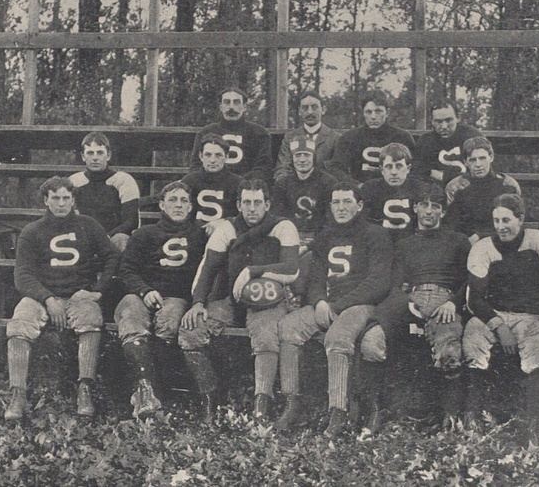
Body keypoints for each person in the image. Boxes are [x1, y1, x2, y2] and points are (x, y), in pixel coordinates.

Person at [275, 182, 392, 436]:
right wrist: (319, 302)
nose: (341, 207)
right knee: (288, 327)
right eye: (336, 202)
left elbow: (378, 281)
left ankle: (338, 412)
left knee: (337, 337)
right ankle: (292, 402)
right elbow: (316, 278)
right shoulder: (326, 236)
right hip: (329, 304)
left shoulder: (375, 234)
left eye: (347, 201)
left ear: (359, 205)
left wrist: (337, 306)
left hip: (360, 304)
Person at [178, 179, 300, 421]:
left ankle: (261, 404)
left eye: (257, 202)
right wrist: (198, 302)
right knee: (190, 332)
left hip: (268, 299)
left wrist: (253, 271)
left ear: (267, 204)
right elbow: (208, 269)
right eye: (246, 202)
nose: (252, 208)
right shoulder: (228, 228)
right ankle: (211, 396)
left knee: (265, 335)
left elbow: (291, 268)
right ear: (238, 204)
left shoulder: (283, 226)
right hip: (231, 299)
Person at [4, 176, 119, 420]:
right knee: (20, 321)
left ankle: (84, 388)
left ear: (73, 200)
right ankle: (18, 393)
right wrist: (47, 298)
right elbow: (22, 275)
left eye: (66, 198)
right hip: (42, 296)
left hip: (79, 294)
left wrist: (97, 290)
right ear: (46, 200)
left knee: (91, 317)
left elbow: (112, 257)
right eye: (55, 198)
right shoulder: (32, 231)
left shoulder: (89, 225)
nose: (61, 203)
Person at [362, 183, 471, 433]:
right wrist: (407, 304)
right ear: (415, 208)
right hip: (411, 300)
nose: (429, 211)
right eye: (424, 205)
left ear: (443, 212)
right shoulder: (404, 243)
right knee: (372, 342)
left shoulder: (458, 241)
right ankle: (376, 412)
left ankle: (450, 417)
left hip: (445, 301)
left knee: (449, 351)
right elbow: (396, 283)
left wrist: (452, 303)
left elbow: (470, 280)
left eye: (435, 206)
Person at [464, 193, 539, 445]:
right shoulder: (483, 248)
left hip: (531, 314)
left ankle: (534, 423)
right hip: (495, 313)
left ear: (520, 219)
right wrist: (498, 326)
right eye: (496, 220)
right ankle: (471, 417)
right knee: (473, 335)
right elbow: (474, 299)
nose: (501, 226)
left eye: (506, 220)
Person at [115, 181, 207, 418]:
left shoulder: (199, 235)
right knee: (132, 318)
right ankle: (144, 389)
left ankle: (161, 394)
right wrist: (144, 291)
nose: (178, 205)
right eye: (173, 200)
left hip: (176, 297)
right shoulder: (145, 234)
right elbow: (126, 269)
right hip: (141, 294)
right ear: (162, 205)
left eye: (184, 201)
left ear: (190, 207)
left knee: (169, 321)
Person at [69, 131, 140, 252]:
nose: (95, 157)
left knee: (121, 239)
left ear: (108, 155)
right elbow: (71, 218)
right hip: (85, 238)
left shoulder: (123, 179)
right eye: (90, 153)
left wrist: (104, 238)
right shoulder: (74, 181)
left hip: (114, 237)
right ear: (83, 156)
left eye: (100, 153)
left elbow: (131, 221)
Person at [444, 137, 520, 243]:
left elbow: (514, 221)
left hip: (499, 241)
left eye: (482, 158)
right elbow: (452, 223)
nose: (478, 164)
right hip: (467, 242)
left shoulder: (508, 185)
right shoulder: (455, 186)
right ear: (465, 162)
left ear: (491, 157)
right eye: (472, 160)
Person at [329, 92, 416, 185]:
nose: (373, 117)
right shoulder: (350, 137)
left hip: (396, 188)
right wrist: (356, 185)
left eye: (378, 111)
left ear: (387, 113)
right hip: (361, 189)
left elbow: (415, 167)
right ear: (363, 113)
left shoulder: (402, 136)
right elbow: (336, 168)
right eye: (368, 112)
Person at [189, 87, 272, 180]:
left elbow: (262, 167)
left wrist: (240, 183)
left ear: (244, 107)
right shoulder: (206, 132)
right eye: (227, 102)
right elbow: (196, 166)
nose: (231, 107)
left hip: (245, 186)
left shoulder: (259, 133)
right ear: (221, 107)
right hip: (212, 184)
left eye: (236, 102)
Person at [360, 143, 429, 243]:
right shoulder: (370, 188)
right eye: (388, 166)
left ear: (408, 168)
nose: (394, 172)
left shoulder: (420, 188)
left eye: (399, 166)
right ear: (382, 170)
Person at [272, 136, 337, 241]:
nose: (302, 160)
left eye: (306, 155)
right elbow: (277, 216)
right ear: (292, 158)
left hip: (319, 237)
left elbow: (330, 219)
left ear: (313, 157)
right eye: (297, 155)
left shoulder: (328, 182)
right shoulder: (283, 184)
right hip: (290, 236)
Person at [181, 134, 243, 233]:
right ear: (201, 156)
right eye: (208, 155)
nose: (213, 160)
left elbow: (243, 215)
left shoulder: (237, 182)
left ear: (226, 157)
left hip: (226, 235)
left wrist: (225, 222)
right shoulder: (190, 180)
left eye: (218, 155)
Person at [274, 90, 340, 182]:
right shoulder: (290, 138)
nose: (310, 112)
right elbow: (282, 169)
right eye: (305, 108)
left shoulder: (335, 138)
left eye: (314, 107)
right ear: (300, 111)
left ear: (323, 110)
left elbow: (338, 171)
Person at [414, 100, 483, 187]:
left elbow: (483, 169)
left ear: (458, 118)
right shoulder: (425, 141)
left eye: (448, 120)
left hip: (469, 188)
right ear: (431, 121)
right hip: (436, 192)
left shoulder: (472, 136)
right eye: (438, 121)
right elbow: (418, 172)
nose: (444, 126)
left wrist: (442, 176)